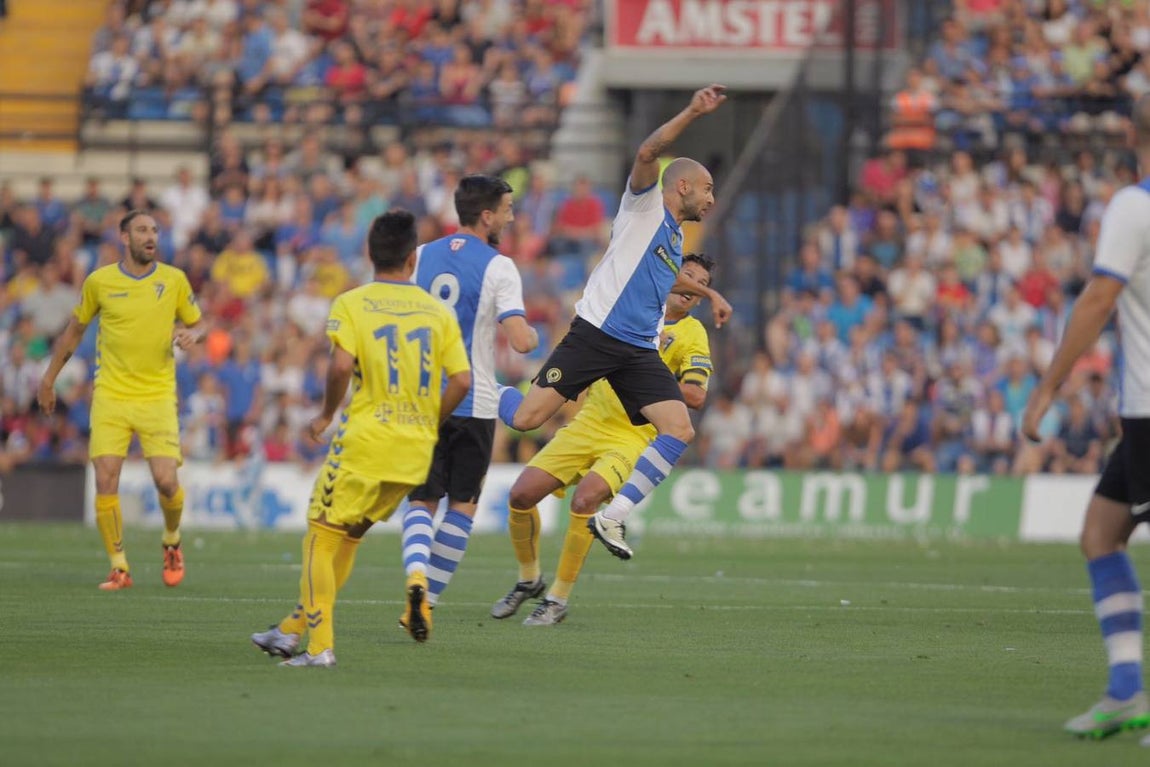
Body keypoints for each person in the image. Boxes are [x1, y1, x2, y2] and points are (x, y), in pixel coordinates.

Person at [497, 84, 733, 561]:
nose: (712, 198)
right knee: (525, 420)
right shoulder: (643, 205)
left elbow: (660, 283)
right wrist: (691, 111)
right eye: (707, 188)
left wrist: (709, 293)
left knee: (680, 428)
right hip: (597, 334)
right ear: (682, 185)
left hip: (637, 350)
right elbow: (649, 150)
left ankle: (614, 515)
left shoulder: (672, 241)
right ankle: (486, 389)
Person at [251, 210, 471, 666]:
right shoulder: (437, 312)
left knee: (320, 534)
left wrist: (327, 413)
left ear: (370, 254)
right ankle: (291, 630)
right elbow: (462, 381)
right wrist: (428, 421)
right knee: (349, 535)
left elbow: (336, 366)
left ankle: (319, 647)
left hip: (366, 441)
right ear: (413, 259)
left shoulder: (352, 303)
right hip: (413, 451)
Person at [1021, 93, 1150, 742]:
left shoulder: (1134, 203)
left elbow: (1100, 295)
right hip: (1140, 411)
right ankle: (1126, 689)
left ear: (1130, 132)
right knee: (1101, 532)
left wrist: (1047, 388)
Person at [491, 254, 714, 625]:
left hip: (631, 436)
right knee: (521, 495)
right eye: (687, 275)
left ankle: (557, 599)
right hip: (587, 423)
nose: (692, 285)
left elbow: (695, 396)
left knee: (586, 499)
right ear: (672, 279)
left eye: (701, 283)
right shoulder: (635, 311)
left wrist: (642, 374)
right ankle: (529, 579)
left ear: (701, 297)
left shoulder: (692, 335)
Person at [37, 210, 204, 590]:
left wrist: (194, 334)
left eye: (155, 231)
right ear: (124, 238)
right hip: (111, 394)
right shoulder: (100, 282)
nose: (151, 237)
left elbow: (199, 322)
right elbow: (74, 331)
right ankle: (119, 567)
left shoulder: (174, 279)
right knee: (105, 479)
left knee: (165, 481)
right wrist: (48, 380)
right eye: (142, 230)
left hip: (157, 394)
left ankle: (172, 540)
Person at [397, 175, 538, 616]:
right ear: (487, 215)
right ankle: (426, 602)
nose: (511, 217)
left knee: (421, 499)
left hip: (422, 400)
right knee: (462, 505)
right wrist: (533, 333)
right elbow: (520, 341)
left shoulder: (419, 256)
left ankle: (416, 570)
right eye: (507, 209)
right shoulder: (499, 266)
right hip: (473, 401)